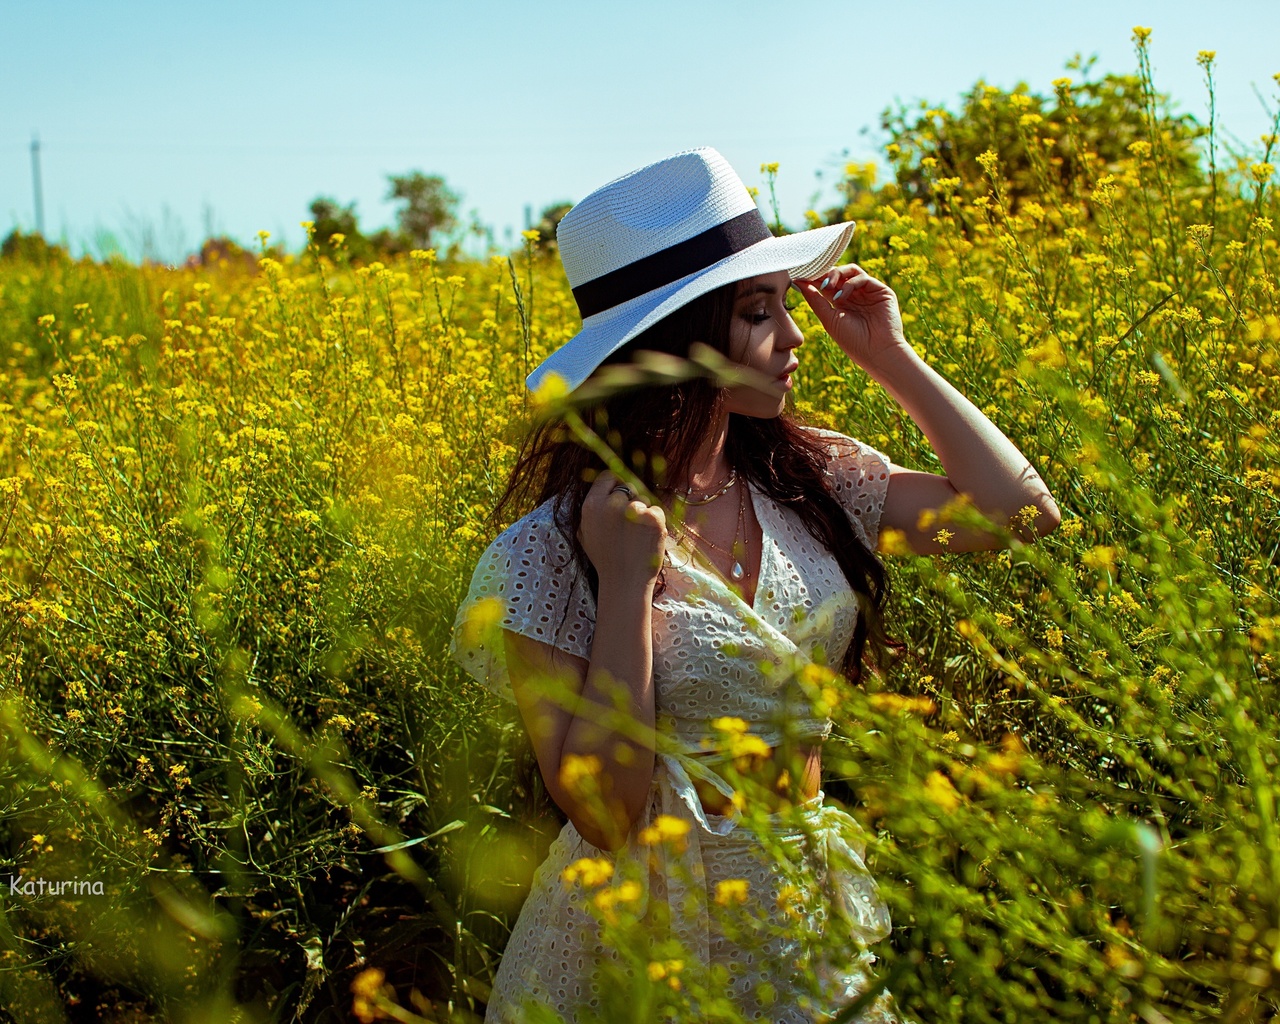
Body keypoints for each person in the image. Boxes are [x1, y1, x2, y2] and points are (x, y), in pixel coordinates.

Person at [450, 147, 1060, 1023]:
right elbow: (605, 813)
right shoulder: (547, 553)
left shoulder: (808, 484)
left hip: (802, 913)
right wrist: (627, 587)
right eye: (756, 312)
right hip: (640, 936)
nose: (795, 337)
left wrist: (891, 356)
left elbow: (1020, 517)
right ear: (679, 340)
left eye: (783, 304)